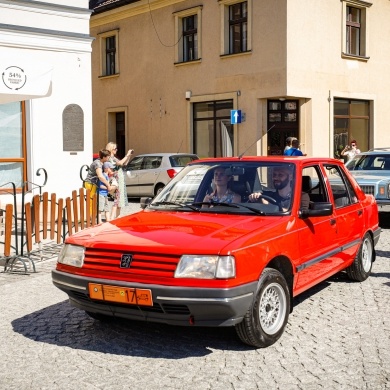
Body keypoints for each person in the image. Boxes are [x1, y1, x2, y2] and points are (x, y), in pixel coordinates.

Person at [105, 142, 135, 219]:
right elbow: (120, 163)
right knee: (117, 198)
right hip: (116, 179)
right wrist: (127, 154)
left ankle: (117, 216)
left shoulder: (114, 158)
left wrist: (129, 156)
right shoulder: (110, 158)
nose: (116, 150)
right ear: (111, 149)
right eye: (115, 149)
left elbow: (124, 164)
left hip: (120, 179)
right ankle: (112, 218)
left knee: (120, 199)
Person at [84, 149, 112, 214]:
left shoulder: (100, 162)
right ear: (104, 157)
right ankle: (90, 217)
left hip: (93, 184)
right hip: (90, 183)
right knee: (90, 200)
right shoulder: (98, 164)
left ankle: (91, 217)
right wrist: (108, 185)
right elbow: (100, 176)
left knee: (92, 200)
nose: (109, 158)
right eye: (108, 156)